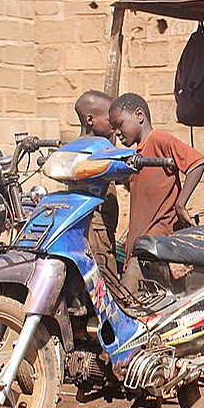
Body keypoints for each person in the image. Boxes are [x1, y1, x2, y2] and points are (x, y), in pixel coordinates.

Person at [109, 92, 204, 289]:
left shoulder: (159, 139)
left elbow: (198, 162)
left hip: (155, 243)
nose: (117, 133)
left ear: (139, 115)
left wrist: (180, 205)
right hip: (139, 244)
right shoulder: (136, 154)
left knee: (130, 305)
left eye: (119, 125)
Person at [73, 91, 121, 281]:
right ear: (90, 119)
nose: (114, 124)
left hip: (93, 224)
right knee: (104, 271)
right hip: (97, 225)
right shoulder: (98, 148)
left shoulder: (74, 145)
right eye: (110, 119)